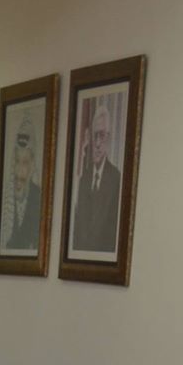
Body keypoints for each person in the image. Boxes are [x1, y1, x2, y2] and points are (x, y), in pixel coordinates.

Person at [70, 100, 123, 253]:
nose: (98, 143)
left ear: (109, 138)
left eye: (102, 136)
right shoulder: (83, 178)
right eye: (95, 136)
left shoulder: (116, 179)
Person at [2, 119, 43, 252]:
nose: (19, 170)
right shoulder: (6, 199)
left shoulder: (38, 198)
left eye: (25, 162)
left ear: (32, 165)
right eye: (17, 161)